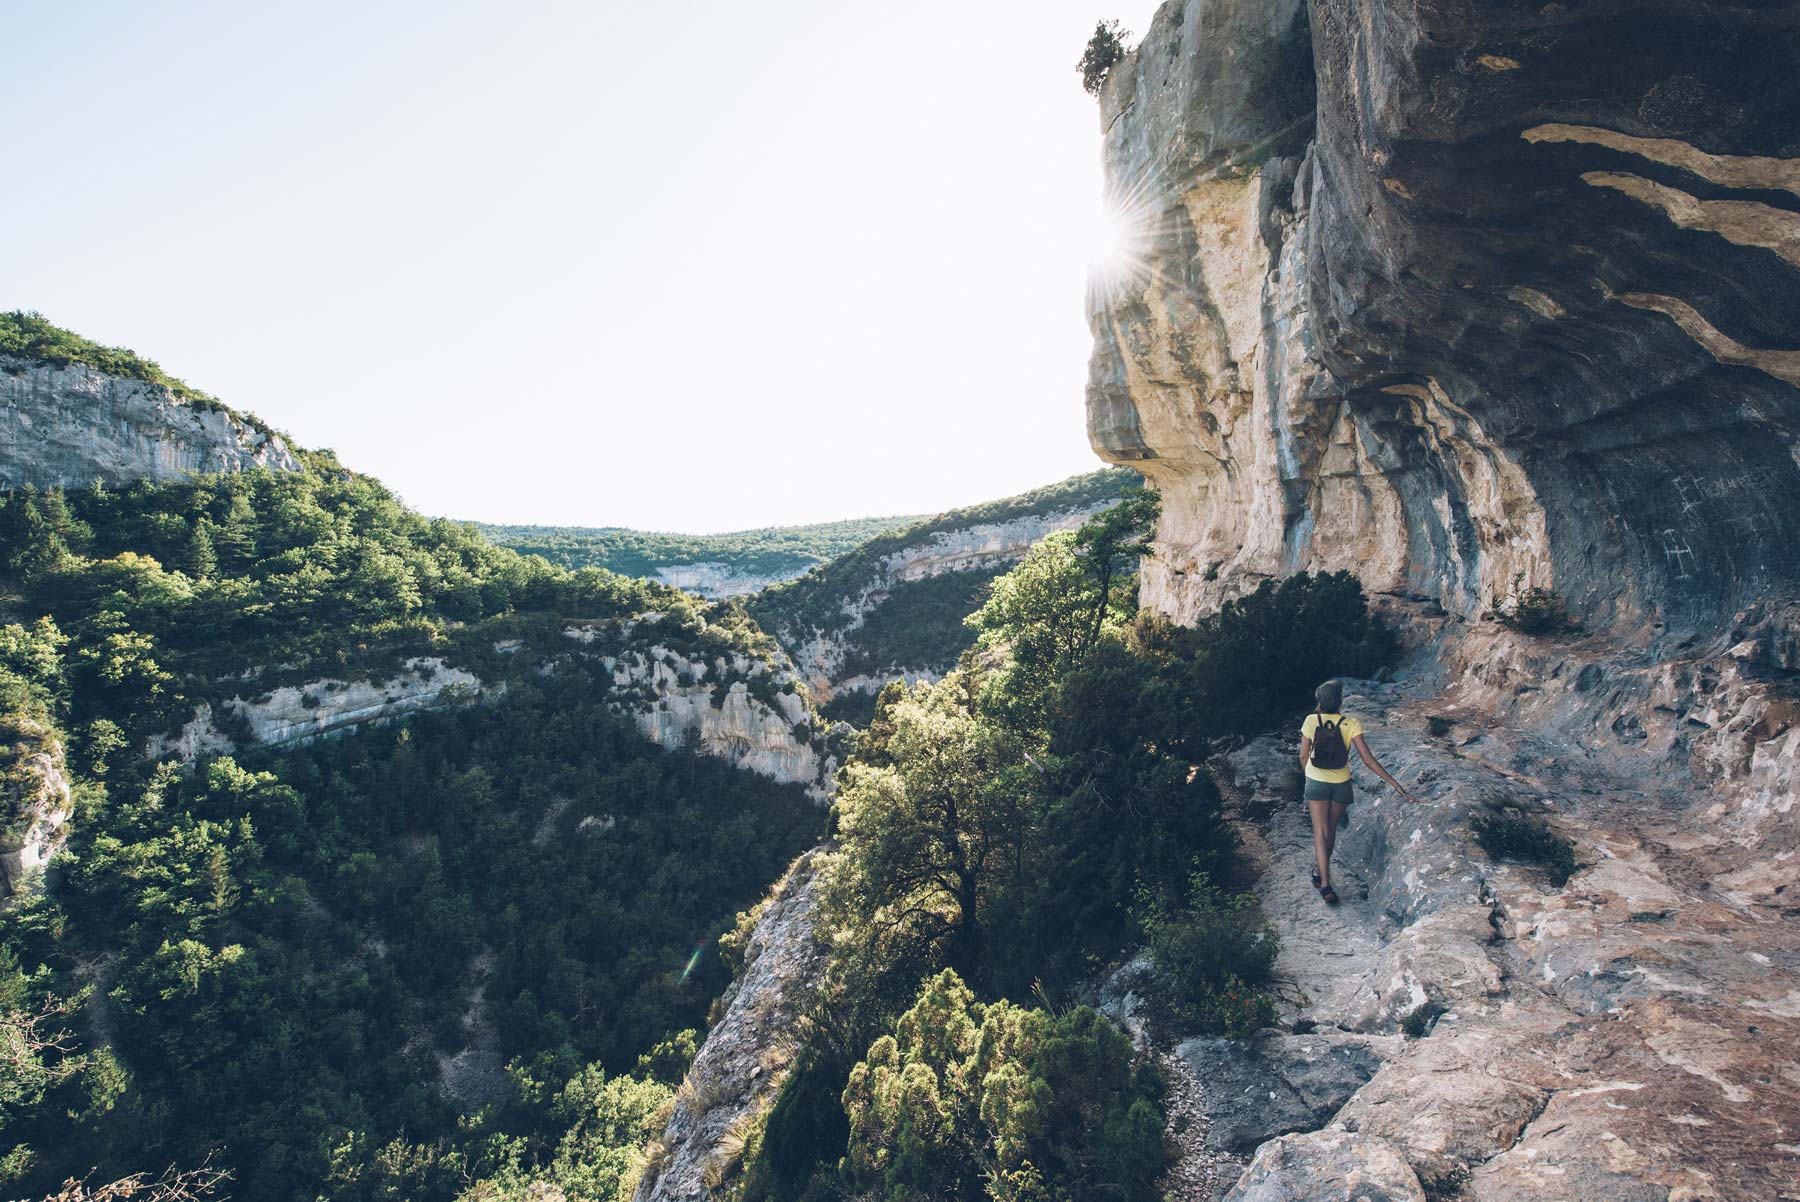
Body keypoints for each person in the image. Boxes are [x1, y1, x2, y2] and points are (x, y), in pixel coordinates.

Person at [1298, 679, 1413, 905]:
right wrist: (1395, 783)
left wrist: (1309, 777)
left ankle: (1325, 884)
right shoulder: (1351, 724)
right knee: (1330, 830)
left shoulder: (1311, 721)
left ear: (1320, 702)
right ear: (1339, 702)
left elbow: (1303, 755)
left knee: (1320, 832)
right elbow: (1368, 760)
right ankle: (1317, 869)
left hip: (1317, 781)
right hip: (1341, 784)